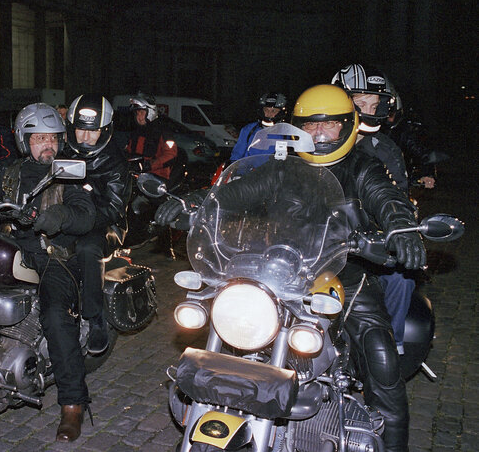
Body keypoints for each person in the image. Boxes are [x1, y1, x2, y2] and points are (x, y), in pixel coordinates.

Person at [156, 84, 424, 452]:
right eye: (310, 125)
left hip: (343, 276)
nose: (319, 133)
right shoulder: (285, 167)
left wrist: (400, 226)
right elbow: (237, 191)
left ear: (348, 126)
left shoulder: (364, 167)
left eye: (329, 125)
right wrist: (196, 202)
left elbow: (387, 198)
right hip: (280, 271)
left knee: (381, 356)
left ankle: (393, 445)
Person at [0, 103, 95, 442]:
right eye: (39, 137)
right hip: (7, 250)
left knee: (57, 317)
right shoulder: (8, 173)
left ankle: (73, 403)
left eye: (53, 138)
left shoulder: (67, 173)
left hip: (52, 256)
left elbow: (86, 212)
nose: (48, 145)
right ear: (23, 140)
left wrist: (61, 217)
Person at [333, 64, 415, 351]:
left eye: (374, 103)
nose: (369, 109)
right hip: (318, 239)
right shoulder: (317, 140)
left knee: (401, 277)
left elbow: (395, 199)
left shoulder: (385, 150)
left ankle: (390, 348)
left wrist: (398, 227)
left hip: (363, 242)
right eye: (361, 103)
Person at [64, 94, 131, 354]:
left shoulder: (114, 162)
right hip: (69, 218)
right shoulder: (64, 152)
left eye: (92, 132)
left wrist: (80, 219)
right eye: (80, 129)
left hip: (105, 226)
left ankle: (95, 318)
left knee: (87, 249)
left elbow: (114, 208)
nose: (84, 138)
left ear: (105, 131)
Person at [383, 93, 436, 189]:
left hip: (398, 182)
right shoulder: (366, 130)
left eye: (390, 114)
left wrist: (428, 174)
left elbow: (422, 153)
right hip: (371, 180)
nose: (386, 117)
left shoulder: (404, 132)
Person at [125, 92, 179, 185]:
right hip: (136, 176)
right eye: (137, 113)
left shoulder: (163, 131)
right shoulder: (136, 132)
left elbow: (171, 155)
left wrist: (149, 165)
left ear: (150, 112)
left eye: (142, 113)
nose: (139, 117)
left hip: (156, 177)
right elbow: (129, 152)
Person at [229, 92, 288, 160]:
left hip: (273, 169)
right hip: (249, 168)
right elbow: (237, 155)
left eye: (273, 111)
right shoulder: (249, 130)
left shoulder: (286, 133)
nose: (269, 114)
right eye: (266, 110)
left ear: (280, 113)